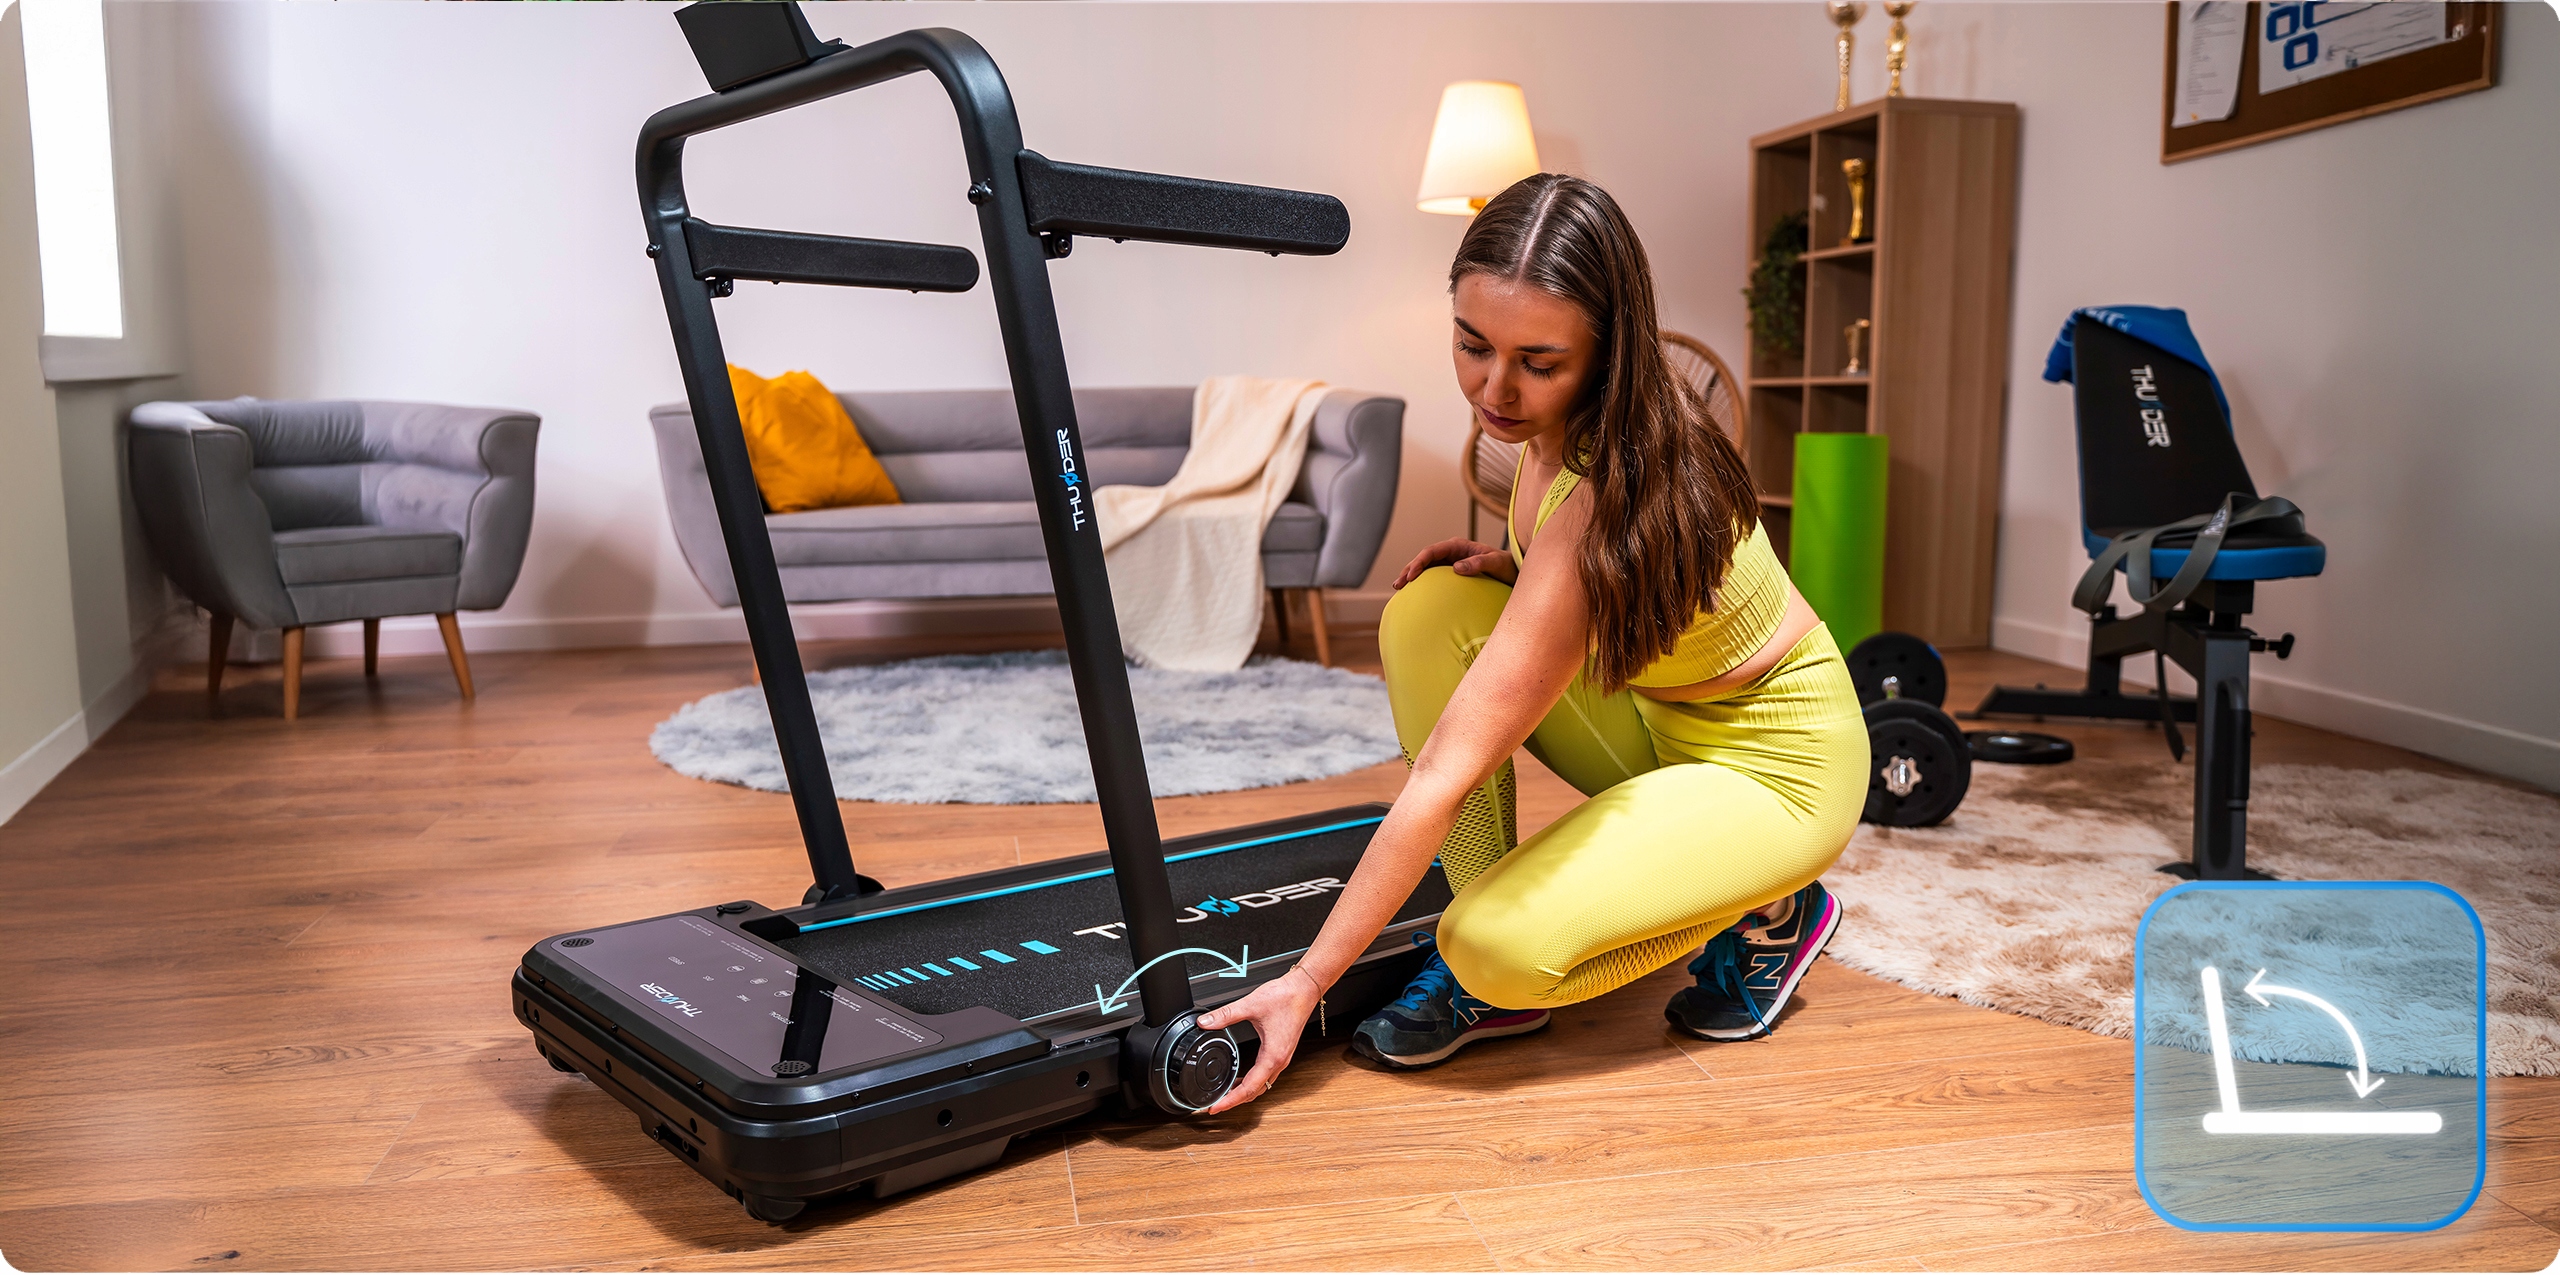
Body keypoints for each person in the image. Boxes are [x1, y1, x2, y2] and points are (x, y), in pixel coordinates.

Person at [1196, 174, 1868, 1112]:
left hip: (1779, 771)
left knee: (1495, 947)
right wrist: (1517, 565)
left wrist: (1305, 981)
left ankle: (1775, 902)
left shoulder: (1614, 486)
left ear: (1607, 353)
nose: (1494, 388)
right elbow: (1612, 587)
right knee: (1430, 610)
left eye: (1538, 362)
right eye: (1473, 345)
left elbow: (1445, 772)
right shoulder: (1559, 433)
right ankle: (1489, 958)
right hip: (1661, 722)